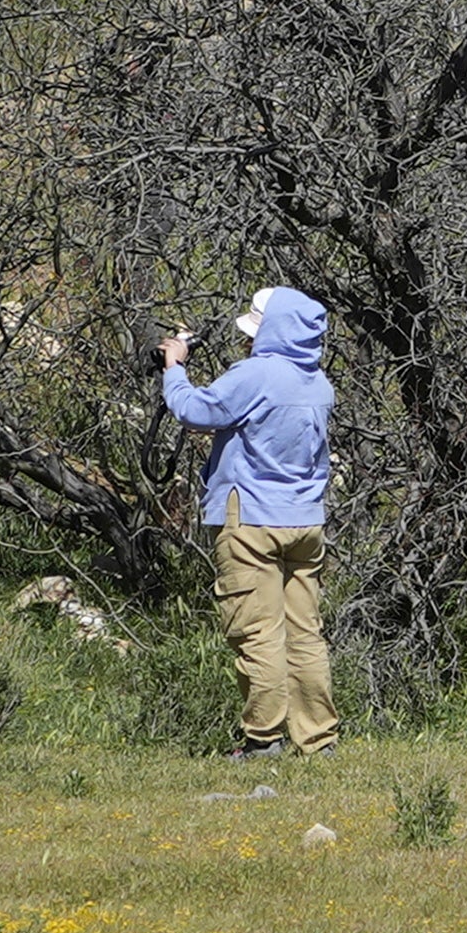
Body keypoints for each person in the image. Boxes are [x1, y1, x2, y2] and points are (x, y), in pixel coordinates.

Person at [158, 287, 339, 759]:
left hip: (251, 519)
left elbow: (195, 411)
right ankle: (317, 739)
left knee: (256, 631)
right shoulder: (318, 384)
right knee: (305, 633)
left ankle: (263, 739)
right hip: (305, 521)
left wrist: (174, 367)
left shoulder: (255, 374)